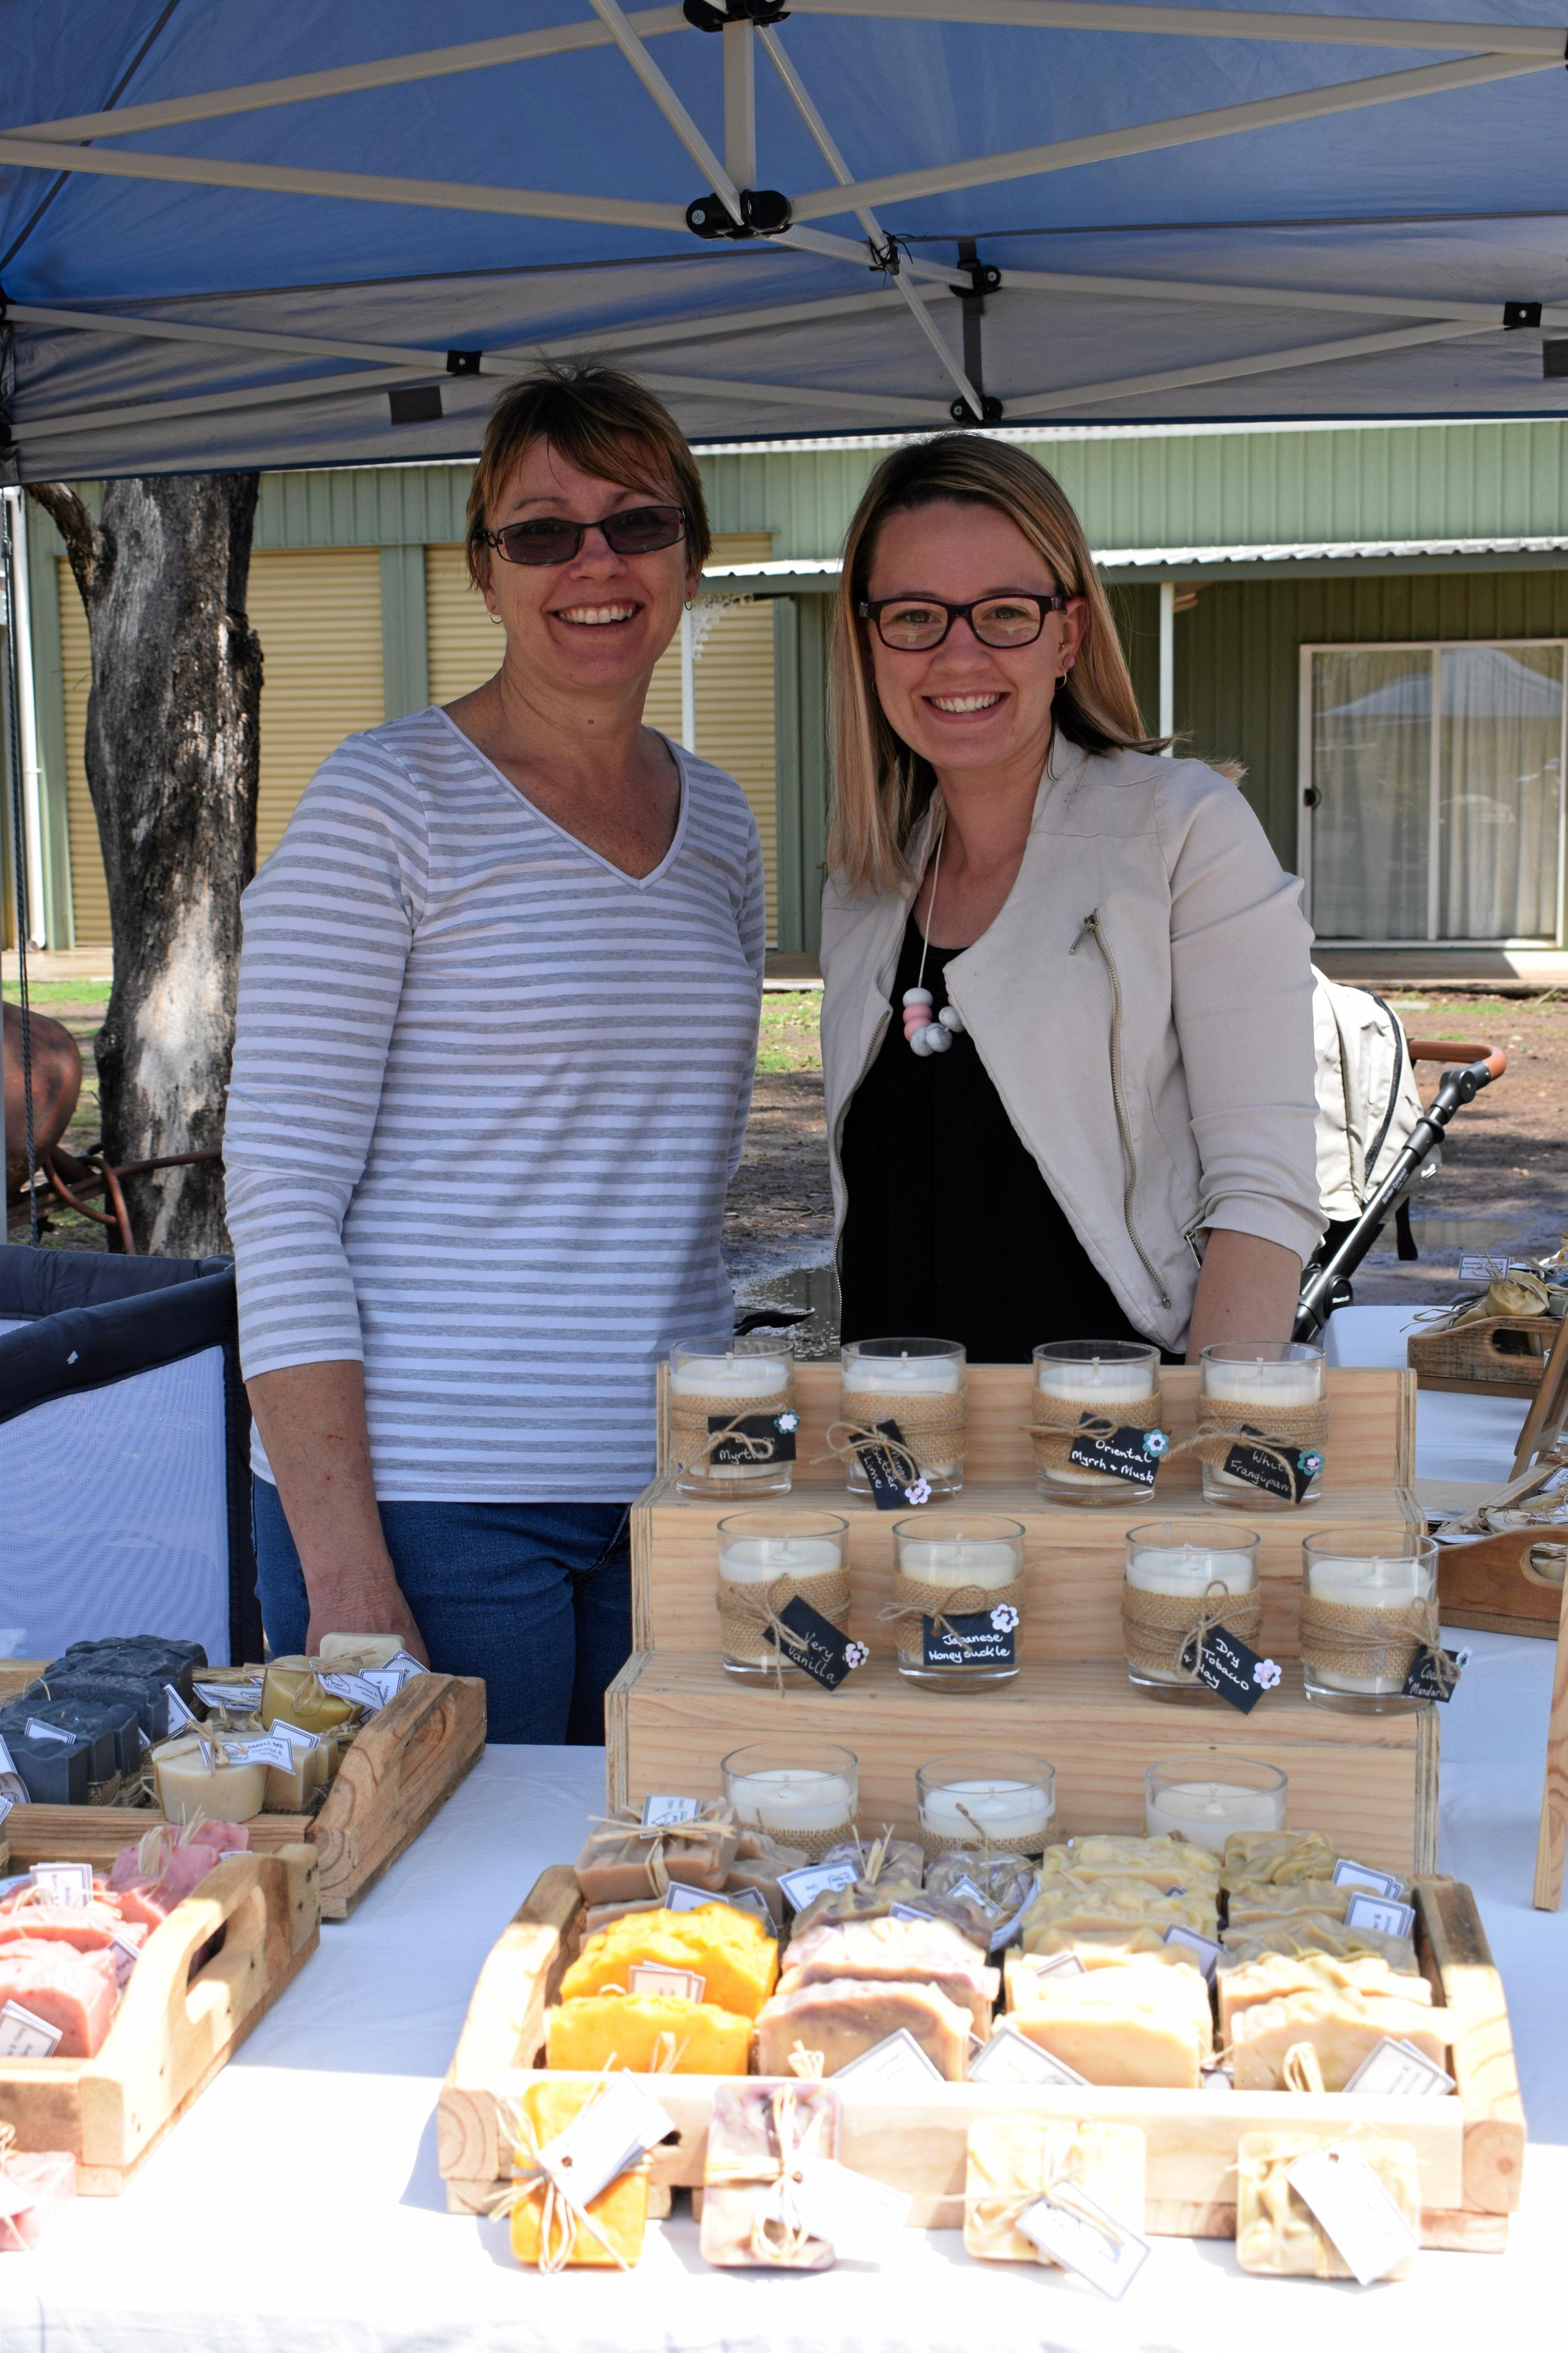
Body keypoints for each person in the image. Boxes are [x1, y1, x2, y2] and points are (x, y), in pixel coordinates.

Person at [224, 363, 765, 1741]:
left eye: (638, 522)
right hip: (433, 1504)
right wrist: (345, 1569)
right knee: (455, 1922)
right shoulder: (383, 801)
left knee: (645, 1916)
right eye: (542, 530)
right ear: (485, 569)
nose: (595, 562)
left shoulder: (721, 821)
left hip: (673, 1495)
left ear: (691, 558)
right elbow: (280, 1191)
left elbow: (677, 1178)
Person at [820, 434, 1320, 1364]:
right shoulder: (867, 881)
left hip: (1114, 1464)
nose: (958, 655)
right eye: (915, 615)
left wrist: (1210, 1451)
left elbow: (1263, 1192)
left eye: (1005, 613)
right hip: (900, 1458)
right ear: (866, 638)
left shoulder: (1178, 833)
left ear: (1067, 634)